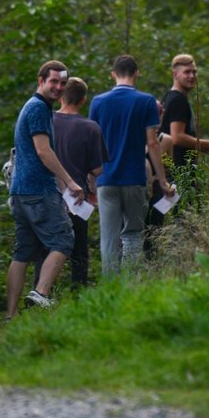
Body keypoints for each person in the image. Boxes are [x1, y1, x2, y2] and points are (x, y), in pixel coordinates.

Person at [6, 60, 84, 319]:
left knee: (23, 252)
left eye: (63, 83)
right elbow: (43, 151)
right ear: (41, 81)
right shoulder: (39, 108)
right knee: (63, 239)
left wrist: (63, 187)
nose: (58, 87)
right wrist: (70, 182)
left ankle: (11, 315)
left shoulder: (32, 106)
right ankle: (40, 294)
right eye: (53, 81)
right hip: (37, 190)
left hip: (20, 191)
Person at [89, 54, 174, 277]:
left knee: (109, 238)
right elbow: (153, 143)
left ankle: (111, 290)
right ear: (137, 73)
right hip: (134, 177)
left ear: (113, 74)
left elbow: (92, 143)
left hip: (106, 179)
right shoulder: (146, 101)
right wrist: (163, 180)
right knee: (133, 234)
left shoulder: (98, 102)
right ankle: (130, 286)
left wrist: (90, 179)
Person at [51, 77, 107, 290]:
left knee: (47, 246)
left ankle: (42, 291)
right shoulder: (90, 127)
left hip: (49, 193)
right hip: (76, 197)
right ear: (83, 100)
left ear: (61, 96)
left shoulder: (47, 121)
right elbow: (97, 169)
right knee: (79, 249)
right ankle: (78, 292)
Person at [160, 54, 209, 199]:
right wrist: (207, 144)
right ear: (175, 74)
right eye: (187, 72)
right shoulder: (178, 100)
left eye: (194, 72)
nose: (192, 76)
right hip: (178, 173)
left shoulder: (170, 97)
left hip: (172, 172)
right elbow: (177, 137)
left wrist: (201, 147)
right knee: (184, 218)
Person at [144, 99, 173, 258]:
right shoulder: (135, 138)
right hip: (139, 189)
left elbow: (169, 168)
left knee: (154, 232)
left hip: (157, 191)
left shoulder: (166, 140)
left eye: (159, 113)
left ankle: (152, 264)